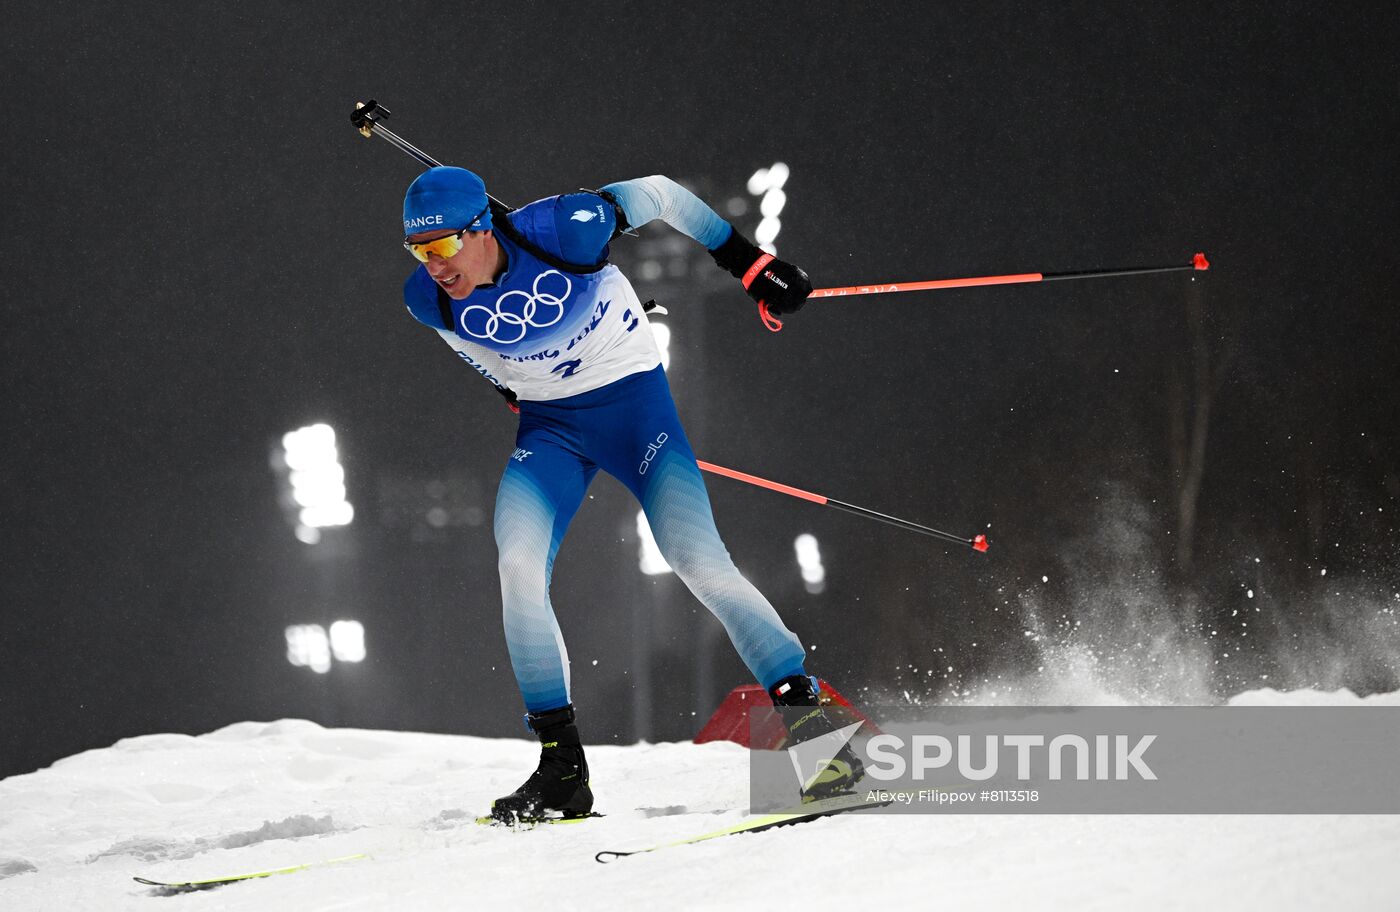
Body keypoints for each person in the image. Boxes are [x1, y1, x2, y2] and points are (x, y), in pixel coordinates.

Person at [398, 167, 862, 823]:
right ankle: (562, 771)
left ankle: (819, 734)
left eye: (444, 245)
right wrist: (512, 385)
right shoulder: (428, 299)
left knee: (699, 562)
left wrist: (750, 263)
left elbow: (664, 194)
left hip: (638, 416)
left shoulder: (565, 227)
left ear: (481, 229)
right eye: (420, 249)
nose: (434, 264)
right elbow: (476, 352)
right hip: (552, 431)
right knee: (518, 566)